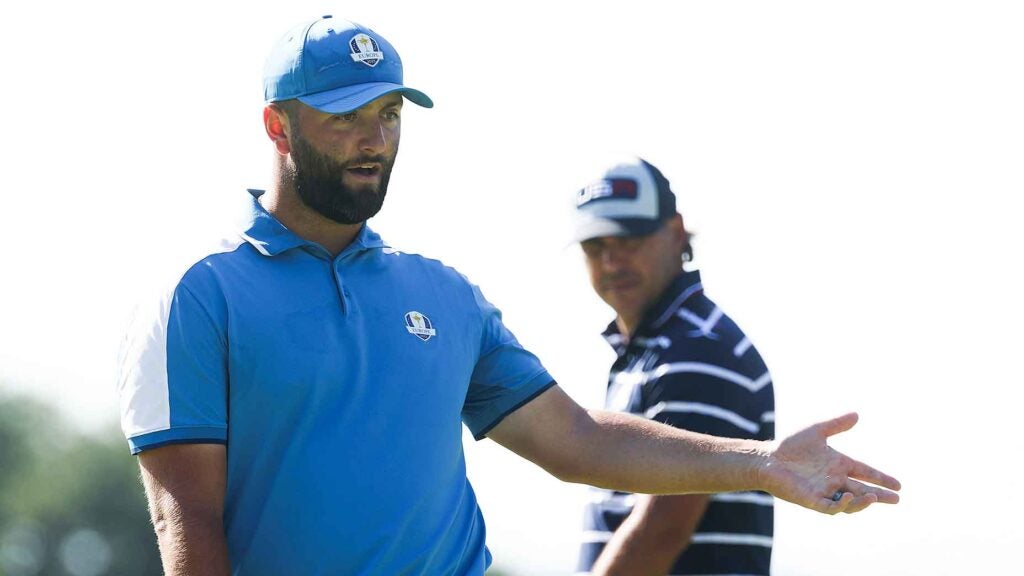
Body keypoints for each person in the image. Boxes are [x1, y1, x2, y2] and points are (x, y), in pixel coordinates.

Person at [117, 15, 900, 576]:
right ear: (278, 127)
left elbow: (578, 440)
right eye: (346, 117)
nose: (374, 139)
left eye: (388, 115)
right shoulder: (202, 296)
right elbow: (188, 519)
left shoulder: (446, 296)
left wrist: (762, 463)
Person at [571, 157, 775, 575]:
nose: (610, 262)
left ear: (675, 232)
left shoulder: (697, 349)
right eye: (595, 247)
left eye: (628, 240)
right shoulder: (659, 347)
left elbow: (661, 529)